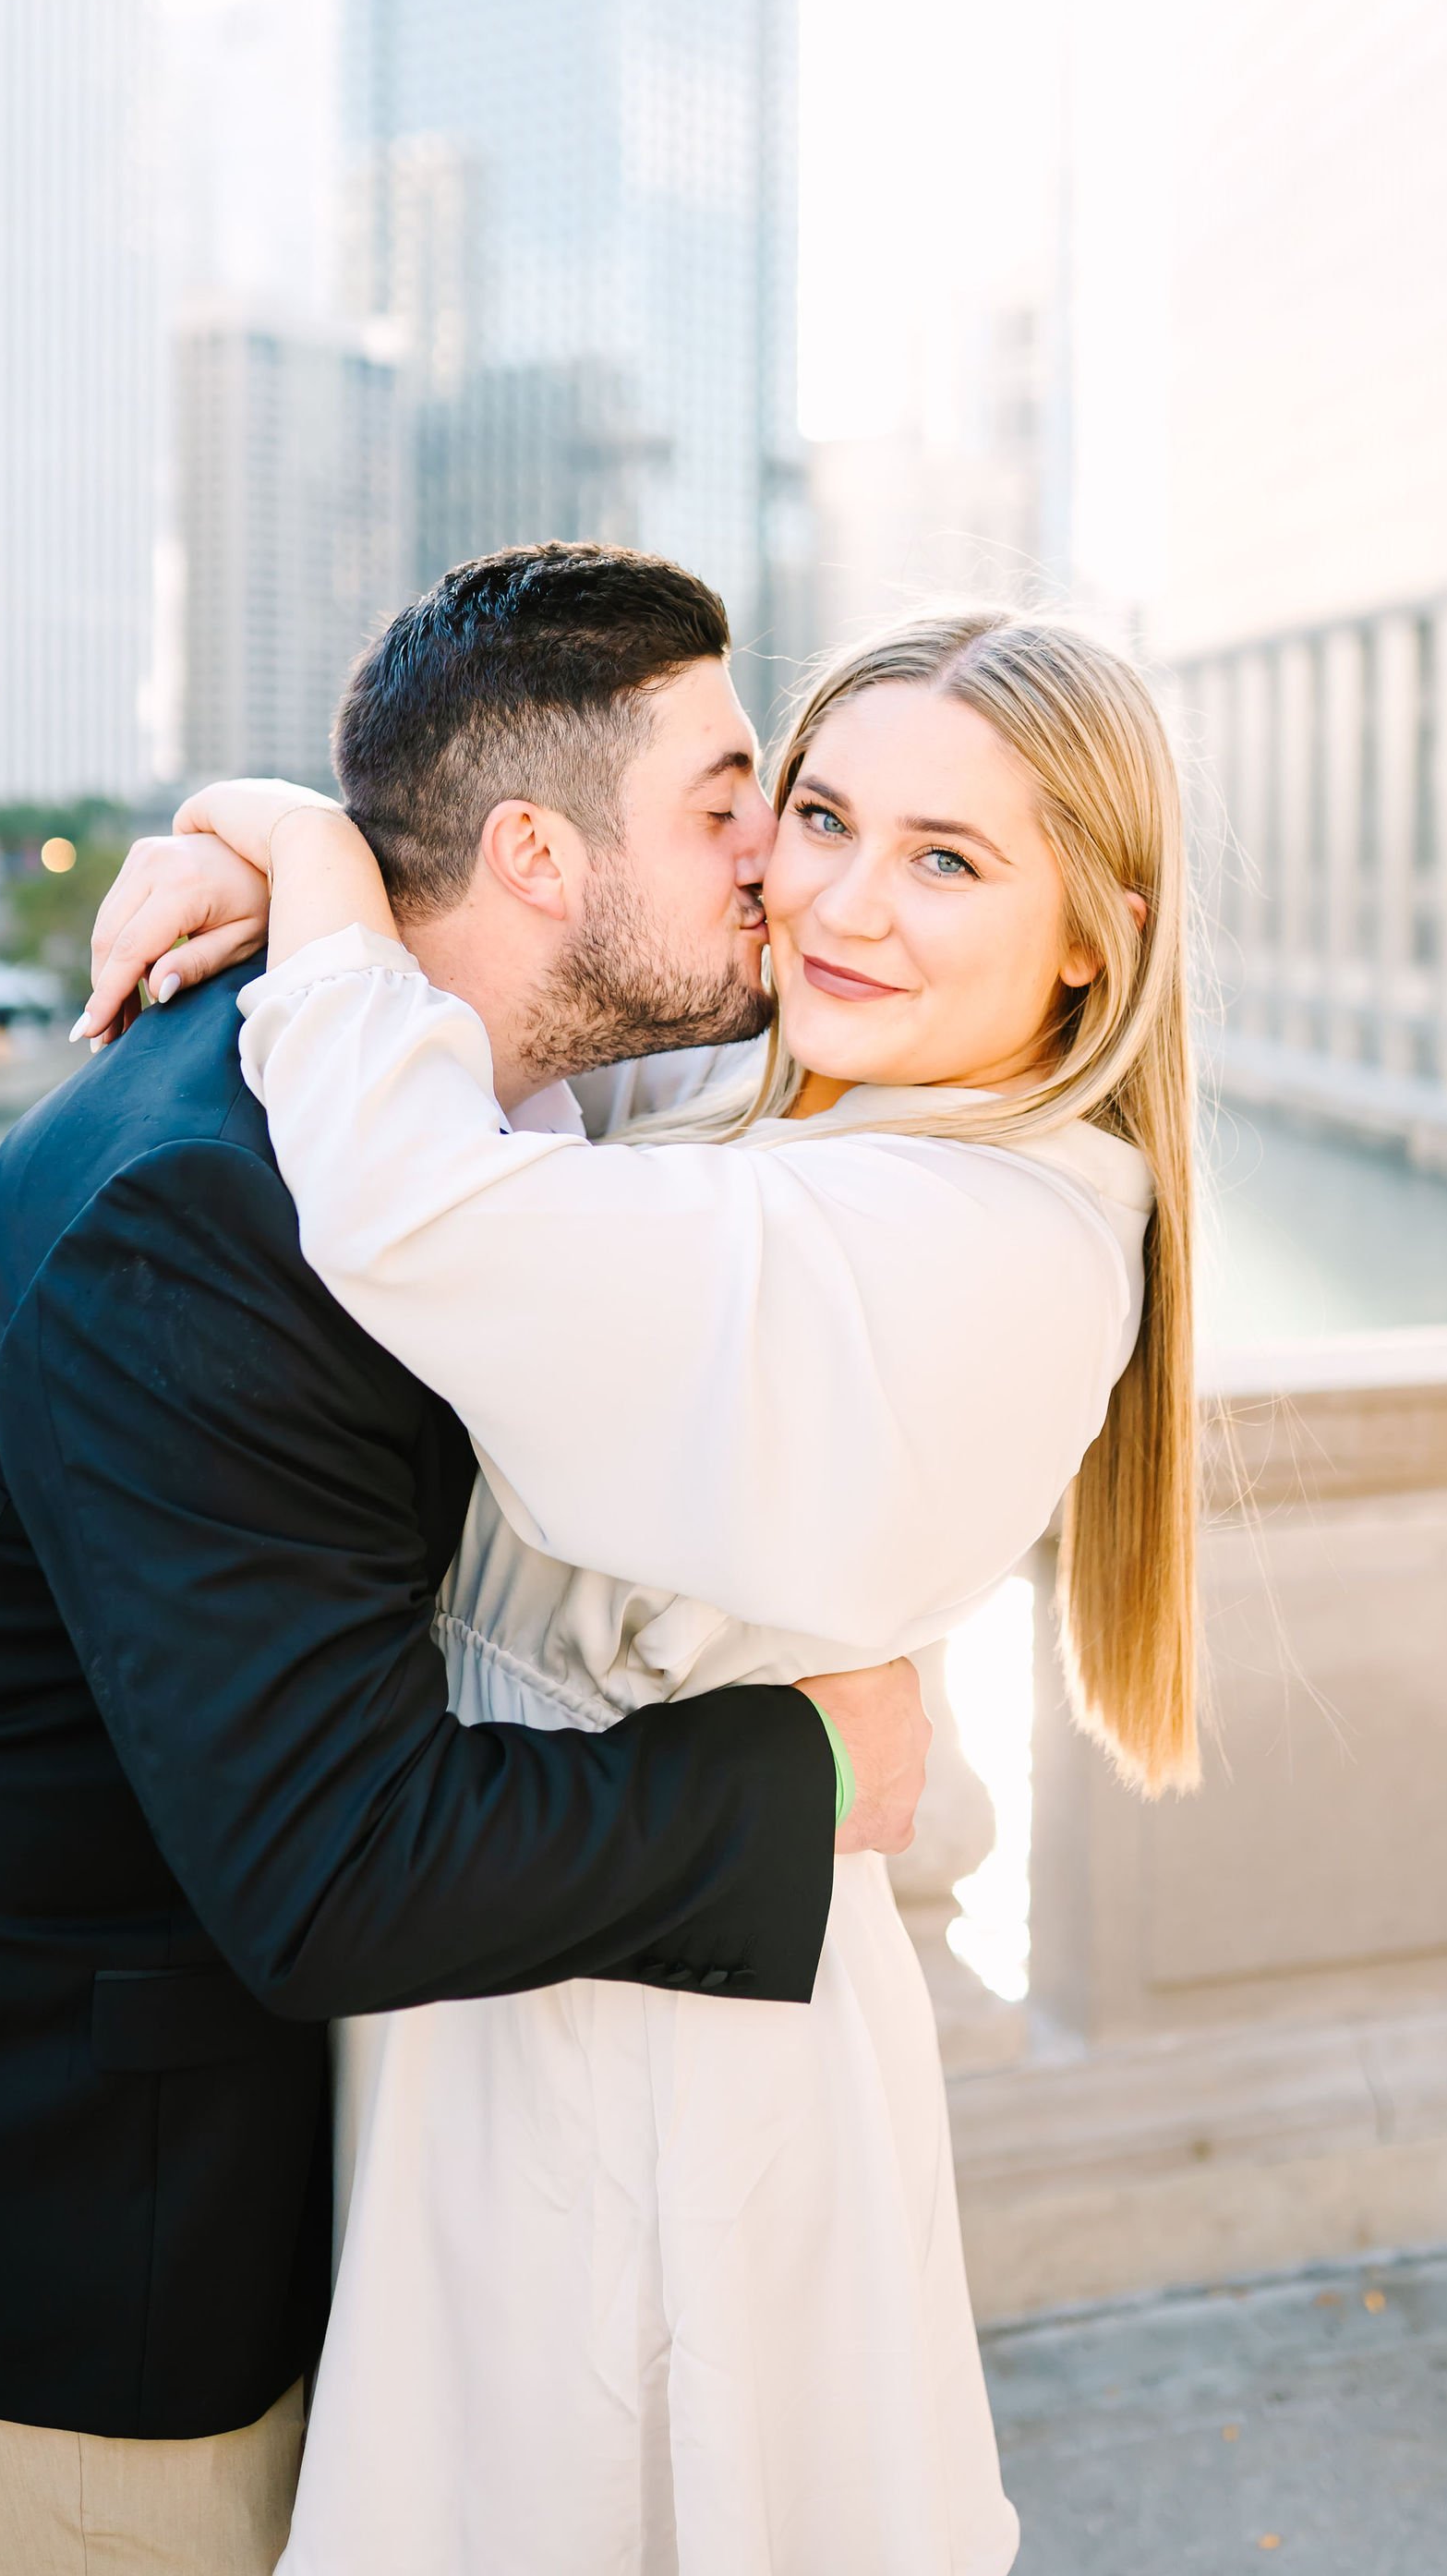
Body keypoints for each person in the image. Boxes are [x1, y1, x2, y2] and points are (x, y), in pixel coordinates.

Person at [0, 548, 934, 2576]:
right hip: (35, 2210)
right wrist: (809, 1769)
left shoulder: (469, 1105)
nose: (785, 864)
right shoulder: (198, 1224)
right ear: (537, 859)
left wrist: (280, 825)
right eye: (731, 803)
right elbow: (334, 1866)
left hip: (215, 2154)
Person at [81, 600, 1201, 2575]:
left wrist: (315, 861)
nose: (839, 900)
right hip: (580, 1946)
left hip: (647, 2025)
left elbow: (424, 1203)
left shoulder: (977, 1235)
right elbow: (517, 1052)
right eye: (818, 816)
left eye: (945, 860)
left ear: (1097, 929)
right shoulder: (799, 1129)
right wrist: (265, 824)